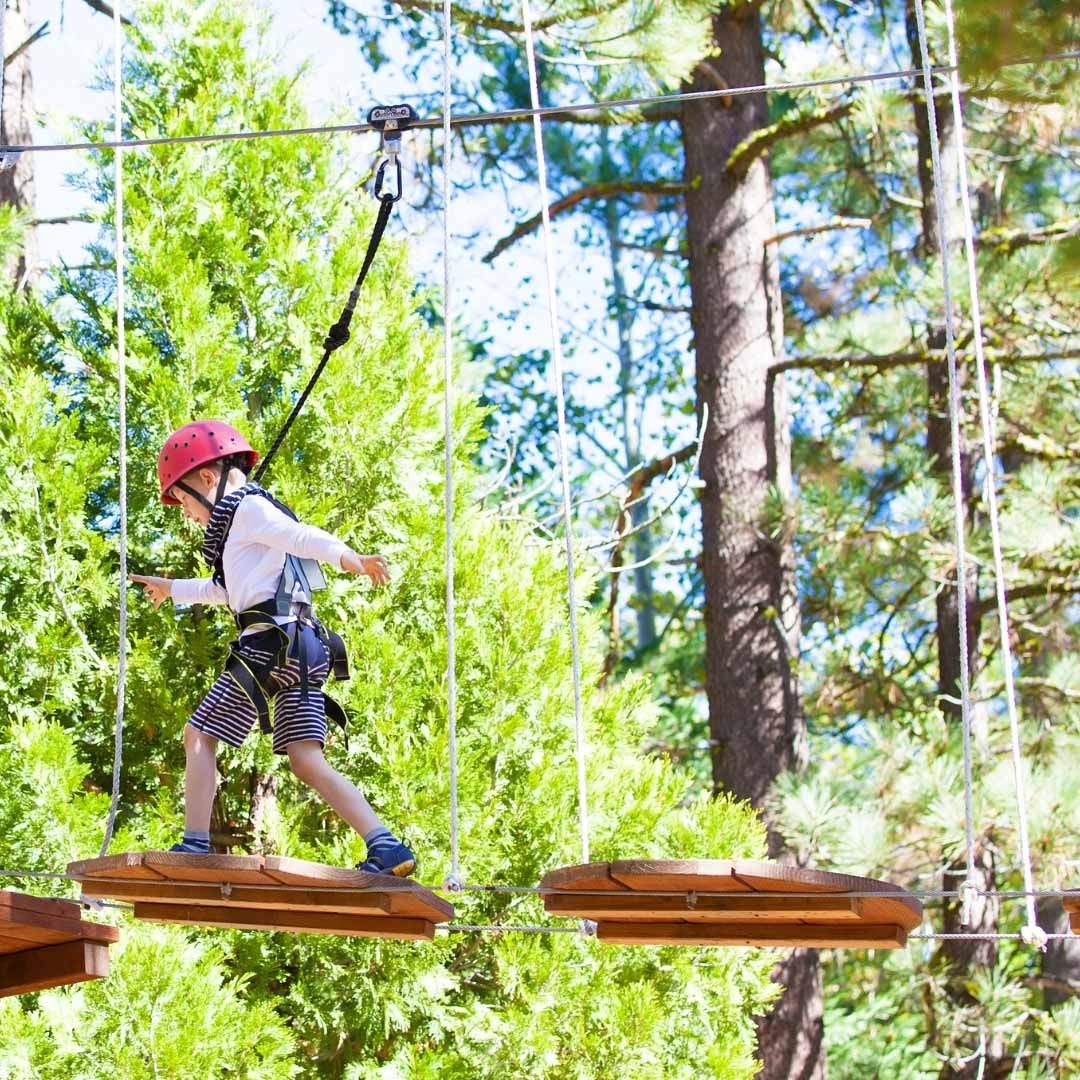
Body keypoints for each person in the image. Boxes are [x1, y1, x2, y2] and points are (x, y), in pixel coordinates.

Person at [130, 419, 415, 877]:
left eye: (183, 499)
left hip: (269, 643)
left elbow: (303, 537)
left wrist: (351, 560)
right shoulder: (238, 529)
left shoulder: (247, 510)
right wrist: (172, 588)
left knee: (199, 735)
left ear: (208, 478)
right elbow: (227, 590)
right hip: (304, 646)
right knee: (305, 758)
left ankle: (195, 845)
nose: (185, 512)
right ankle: (386, 846)